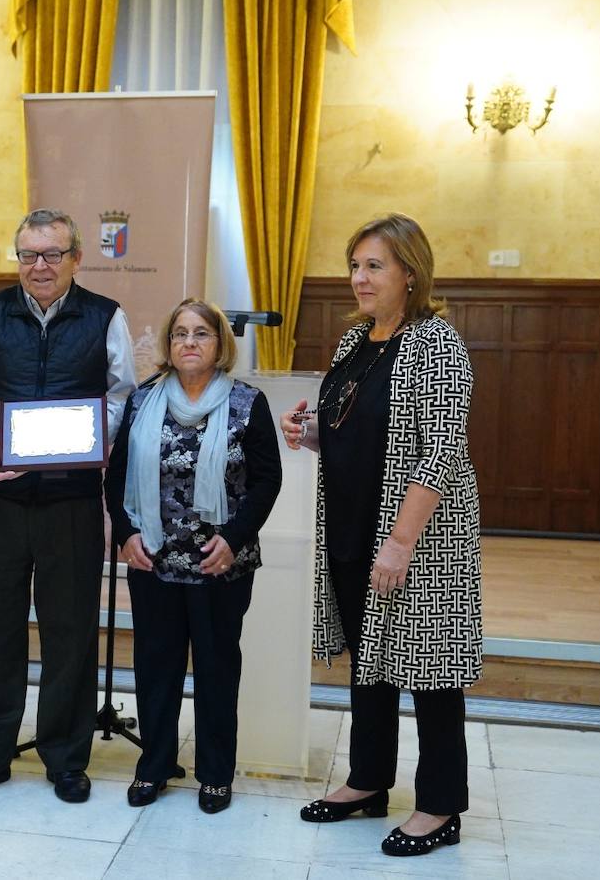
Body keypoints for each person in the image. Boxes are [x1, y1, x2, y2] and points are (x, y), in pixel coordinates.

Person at [280, 214, 481, 857]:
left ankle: (439, 803)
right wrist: (311, 433)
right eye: (355, 265)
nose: (359, 279)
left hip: (421, 535)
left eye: (374, 267)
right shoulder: (354, 342)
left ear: (410, 273)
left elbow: (440, 451)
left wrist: (399, 544)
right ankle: (368, 781)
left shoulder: (436, 344)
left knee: (431, 671)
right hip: (350, 523)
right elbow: (356, 428)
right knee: (371, 664)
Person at [0, 208, 136, 804]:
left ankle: (65, 756)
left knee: (69, 630)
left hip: (72, 502)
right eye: (29, 254)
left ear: (77, 258)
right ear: (17, 258)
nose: (40, 266)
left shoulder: (106, 317)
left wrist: (86, 438)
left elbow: (121, 397)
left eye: (52, 254)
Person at [104, 299, 281, 814]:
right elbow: (116, 477)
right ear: (168, 344)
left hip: (218, 565)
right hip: (152, 561)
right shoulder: (142, 401)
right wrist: (126, 534)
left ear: (219, 343)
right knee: (155, 669)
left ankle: (215, 775)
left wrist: (234, 539)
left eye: (201, 333)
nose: (188, 342)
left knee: (216, 671)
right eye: (179, 333)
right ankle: (153, 766)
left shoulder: (249, 403)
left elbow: (267, 480)